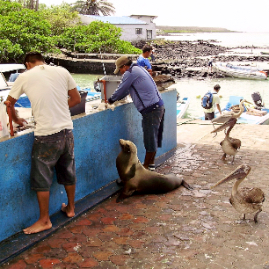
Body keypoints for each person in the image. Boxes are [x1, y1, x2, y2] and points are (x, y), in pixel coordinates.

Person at [6, 52, 81, 234]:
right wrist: (59, 109)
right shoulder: (62, 71)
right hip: (66, 131)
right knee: (68, 170)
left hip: (46, 134)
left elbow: (9, 104)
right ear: (42, 61)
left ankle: (44, 220)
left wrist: (16, 119)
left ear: (28, 64)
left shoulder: (24, 76)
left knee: (41, 178)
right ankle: (71, 208)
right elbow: (77, 99)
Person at [108, 56, 165, 170]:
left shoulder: (130, 73)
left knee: (149, 139)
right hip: (157, 106)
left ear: (124, 66)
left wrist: (110, 100)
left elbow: (121, 90)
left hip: (151, 109)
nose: (120, 72)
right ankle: (151, 165)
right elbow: (126, 90)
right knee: (152, 137)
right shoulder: (139, 68)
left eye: (120, 69)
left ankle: (145, 168)